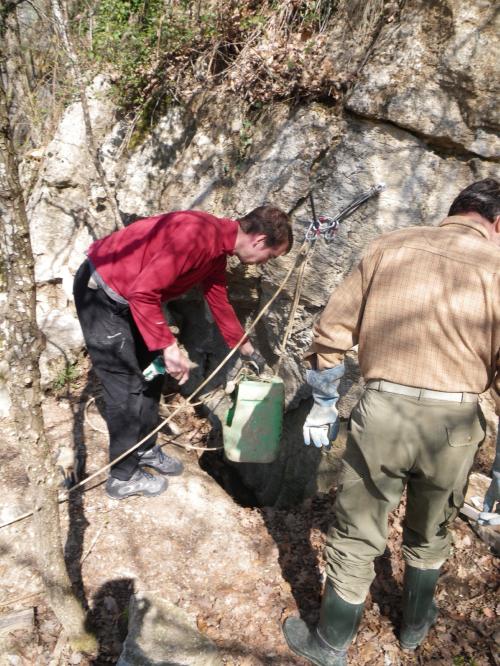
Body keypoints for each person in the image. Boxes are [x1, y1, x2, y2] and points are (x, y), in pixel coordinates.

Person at [283, 179, 500, 665]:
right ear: (497, 224)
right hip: (456, 422)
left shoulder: (390, 246)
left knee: (359, 528)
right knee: (433, 527)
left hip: (384, 411)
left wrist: (324, 400)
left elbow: (331, 333)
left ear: (454, 211)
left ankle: (332, 643)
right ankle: (415, 626)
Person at [73, 206, 293, 500]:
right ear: (259, 240)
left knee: (152, 375)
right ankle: (122, 476)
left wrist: (245, 346)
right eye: (271, 256)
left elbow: (217, 298)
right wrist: (169, 346)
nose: (265, 262)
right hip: (102, 297)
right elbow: (144, 292)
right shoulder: (196, 235)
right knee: (124, 387)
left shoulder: (216, 247)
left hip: (131, 303)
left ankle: (145, 446)